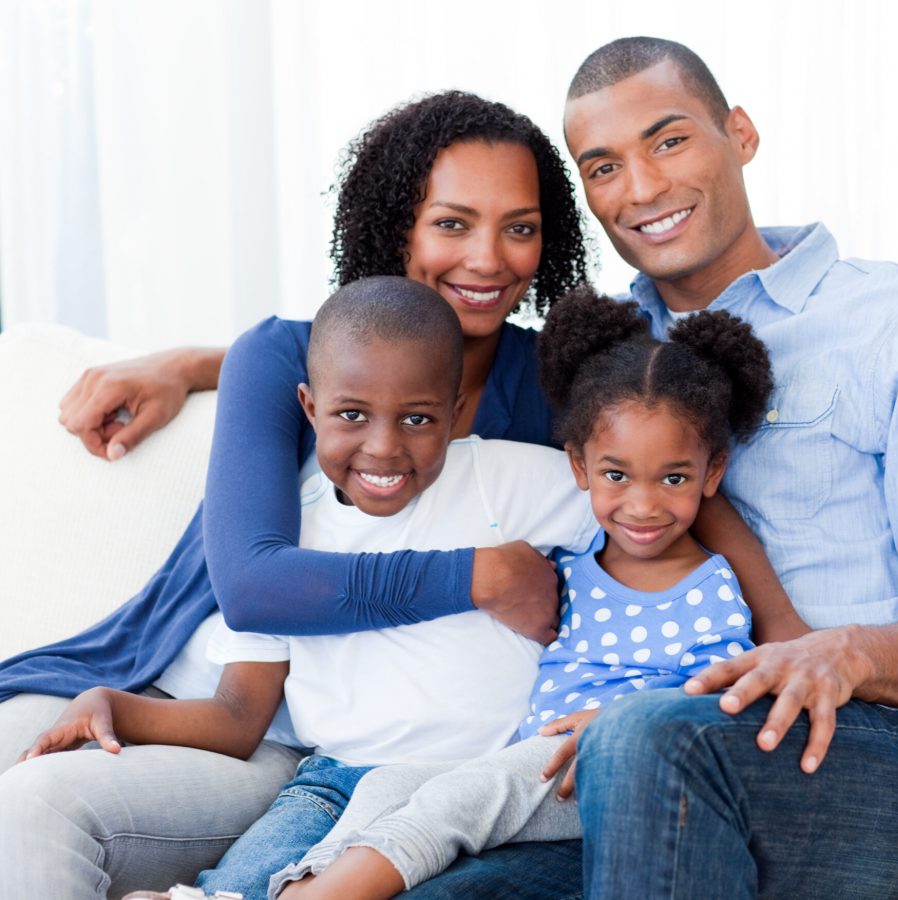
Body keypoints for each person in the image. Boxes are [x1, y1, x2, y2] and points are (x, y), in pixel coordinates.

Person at [0, 86, 791, 898]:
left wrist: (790, 635)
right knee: (16, 775)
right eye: (452, 223)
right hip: (185, 682)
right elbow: (253, 583)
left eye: (519, 229)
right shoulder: (288, 360)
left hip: (329, 747)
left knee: (38, 806)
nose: (488, 258)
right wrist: (477, 574)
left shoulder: (552, 388)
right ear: (396, 225)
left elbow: (668, 473)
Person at [18, 276, 603, 900]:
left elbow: (639, 513)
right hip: (328, 786)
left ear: (456, 411)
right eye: (351, 415)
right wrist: (118, 705)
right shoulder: (286, 543)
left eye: (417, 418)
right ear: (307, 407)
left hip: (473, 778)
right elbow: (240, 716)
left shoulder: (504, 479)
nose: (384, 447)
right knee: (238, 886)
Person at [262, 288, 778, 900]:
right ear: (580, 469)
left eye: (673, 478)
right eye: (617, 476)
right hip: (534, 758)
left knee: (462, 797)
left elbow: (720, 697)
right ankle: (300, 882)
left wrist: (620, 725)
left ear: (710, 475)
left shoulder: (710, 587)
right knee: (388, 785)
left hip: (606, 770)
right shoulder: (574, 563)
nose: (643, 504)